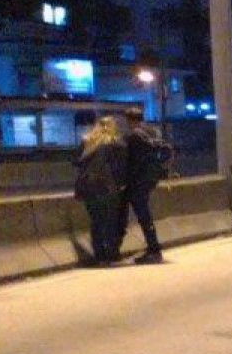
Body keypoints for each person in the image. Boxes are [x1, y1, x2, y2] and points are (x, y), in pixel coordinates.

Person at [117, 107, 171, 264]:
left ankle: (154, 249)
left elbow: (130, 160)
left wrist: (124, 179)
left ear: (130, 119)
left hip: (138, 179)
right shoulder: (153, 131)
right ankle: (153, 248)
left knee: (142, 214)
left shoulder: (133, 135)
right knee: (143, 212)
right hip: (152, 178)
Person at [73, 116, 128, 266]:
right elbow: (121, 168)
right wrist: (121, 185)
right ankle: (112, 255)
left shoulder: (87, 141)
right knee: (111, 222)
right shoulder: (115, 143)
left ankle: (100, 256)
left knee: (96, 222)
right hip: (106, 187)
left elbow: (76, 162)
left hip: (87, 187)